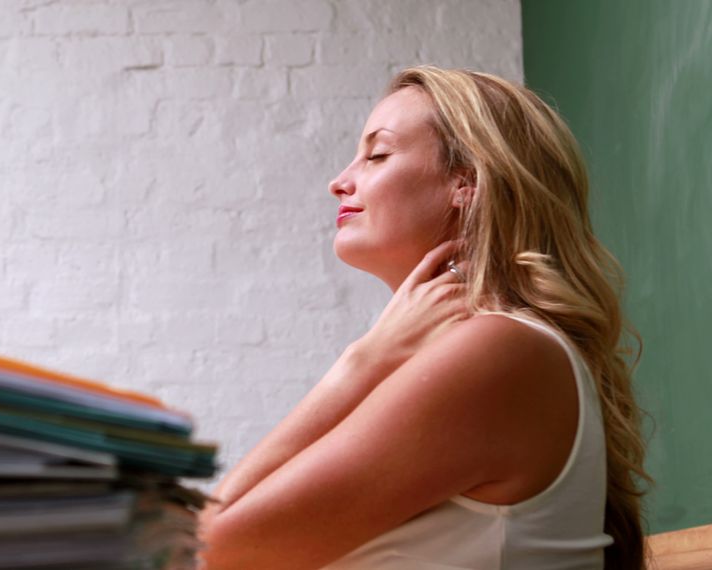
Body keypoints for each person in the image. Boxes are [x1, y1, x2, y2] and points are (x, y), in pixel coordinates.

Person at [198, 66, 650, 569]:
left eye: (377, 154)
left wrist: (360, 361)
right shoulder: (500, 350)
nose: (339, 181)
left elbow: (206, 550)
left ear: (467, 182)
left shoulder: (500, 350)